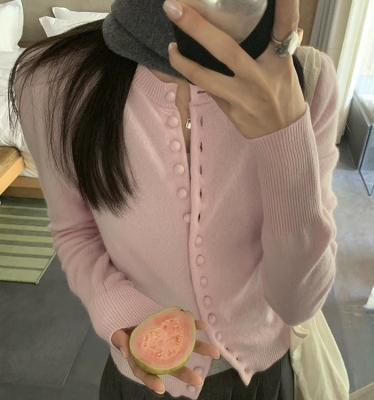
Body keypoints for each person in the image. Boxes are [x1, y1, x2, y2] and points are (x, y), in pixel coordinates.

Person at [9, 0, 339, 399]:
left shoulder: (309, 79)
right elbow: (75, 231)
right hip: (140, 378)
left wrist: (285, 134)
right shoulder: (51, 80)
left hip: (262, 378)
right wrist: (120, 311)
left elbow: (298, 304)